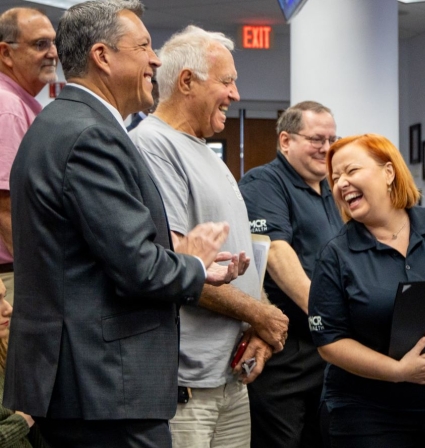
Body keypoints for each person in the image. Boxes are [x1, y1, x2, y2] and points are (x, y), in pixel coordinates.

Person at [3, 1, 245, 446]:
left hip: (87, 386)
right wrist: (194, 266)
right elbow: (137, 267)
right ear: (103, 56)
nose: (156, 60)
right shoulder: (90, 134)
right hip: (105, 387)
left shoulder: (64, 123)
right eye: (145, 46)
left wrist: (183, 259)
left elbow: (96, 251)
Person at [130, 25, 289, 447]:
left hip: (230, 377)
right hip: (187, 388)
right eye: (227, 81)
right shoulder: (152, 146)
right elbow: (176, 265)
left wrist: (259, 318)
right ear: (187, 82)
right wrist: (261, 315)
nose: (235, 94)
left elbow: (234, 261)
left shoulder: (204, 149)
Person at [308, 133, 425, 447]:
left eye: (351, 171)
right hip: (370, 410)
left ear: (388, 172)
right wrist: (398, 371)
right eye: (335, 177)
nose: (341, 183)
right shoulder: (335, 255)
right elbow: (330, 341)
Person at [239, 101, 342, 448]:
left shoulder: (331, 191)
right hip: (286, 350)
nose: (326, 148)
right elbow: (277, 254)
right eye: (316, 139)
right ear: (286, 141)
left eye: (331, 139)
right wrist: (328, 314)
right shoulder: (264, 182)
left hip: (326, 351)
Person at [0, 7, 58, 305]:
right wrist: (36, 280)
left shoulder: (20, 104)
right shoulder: (7, 106)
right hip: (12, 278)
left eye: (53, 43)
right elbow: (6, 208)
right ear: (6, 54)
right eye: (40, 44)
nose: (53, 54)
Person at [0, 280, 47, 448]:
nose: (8, 309)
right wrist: (20, 423)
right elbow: (25, 419)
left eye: (4, 297)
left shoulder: (7, 350)